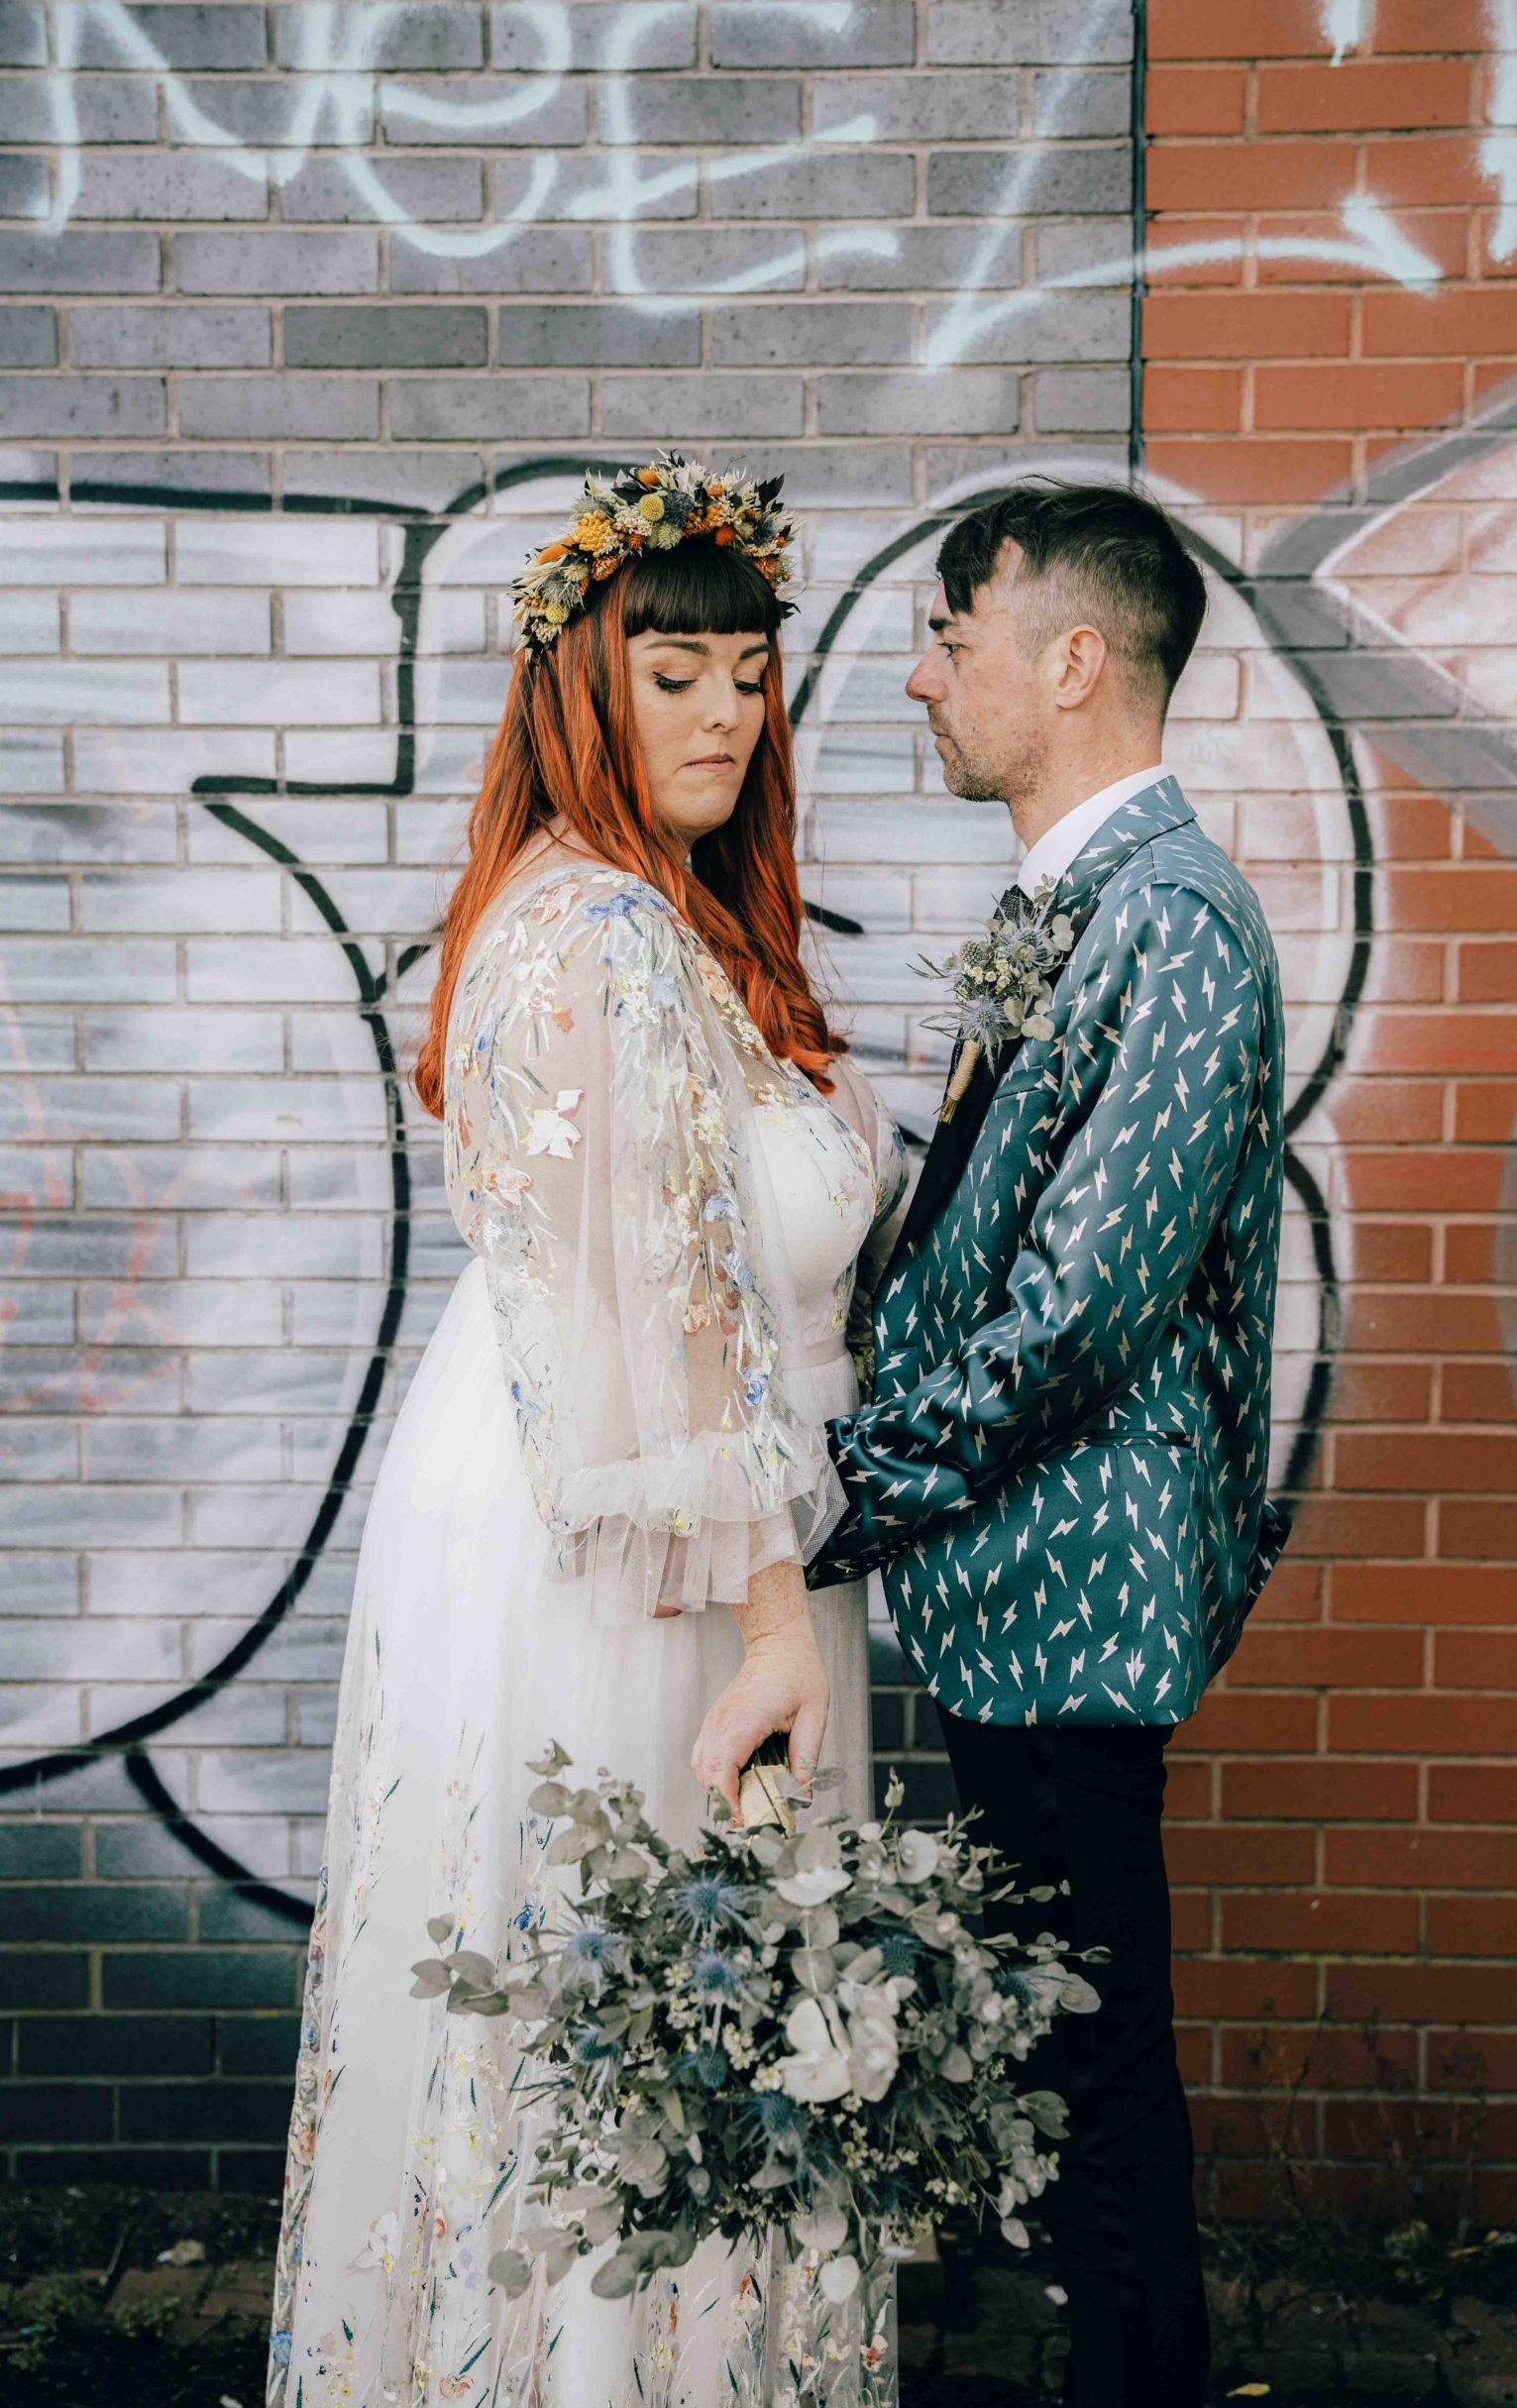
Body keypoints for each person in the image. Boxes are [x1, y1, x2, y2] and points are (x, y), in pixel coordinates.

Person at [268, 452, 908, 2408]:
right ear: (581, 691)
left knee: (630, 2008)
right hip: (647, 1550)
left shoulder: (651, 913)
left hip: (658, 1509)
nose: (722, 712)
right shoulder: (611, 935)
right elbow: (677, 1326)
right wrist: (778, 1619)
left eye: (747, 674)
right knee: (630, 1997)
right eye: (672, 674)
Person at [806, 481, 1289, 2408]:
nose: (923, 675)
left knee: (1093, 2086)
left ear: (1069, 659)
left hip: (1073, 1602)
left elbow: (1079, 1305)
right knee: (1064, 2067)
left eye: (951, 633)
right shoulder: (1067, 906)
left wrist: (845, 1491)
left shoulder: (1167, 921)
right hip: (1015, 1596)